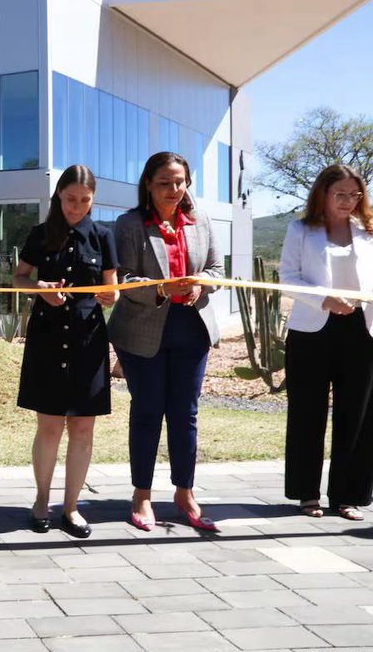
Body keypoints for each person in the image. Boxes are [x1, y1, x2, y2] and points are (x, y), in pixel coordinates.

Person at [109, 151, 223, 532]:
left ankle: (184, 491)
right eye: (164, 183)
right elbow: (121, 278)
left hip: (192, 327)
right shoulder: (129, 224)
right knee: (147, 412)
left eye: (179, 182)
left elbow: (217, 270)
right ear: (148, 185)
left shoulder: (201, 219)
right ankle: (142, 494)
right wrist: (161, 288)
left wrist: (198, 285)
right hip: (142, 329)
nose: (173, 190)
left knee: (184, 414)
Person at [13, 165, 118, 538]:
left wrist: (111, 295)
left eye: (85, 201)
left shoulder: (104, 236)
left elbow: (112, 288)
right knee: (50, 425)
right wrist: (39, 286)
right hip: (47, 336)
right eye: (71, 199)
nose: (77, 207)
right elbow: (18, 277)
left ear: (93, 200)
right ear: (59, 195)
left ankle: (71, 507)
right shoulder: (41, 235)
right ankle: (42, 501)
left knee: (83, 427)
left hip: (88, 340)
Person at [280, 164, 373, 521]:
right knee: (307, 413)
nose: (349, 201)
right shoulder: (300, 230)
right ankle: (306, 494)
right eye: (341, 194)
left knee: (357, 415)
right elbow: (287, 277)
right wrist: (325, 299)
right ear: (323, 194)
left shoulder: (368, 231)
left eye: (355, 195)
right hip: (312, 330)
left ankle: (347, 496)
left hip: (362, 331)